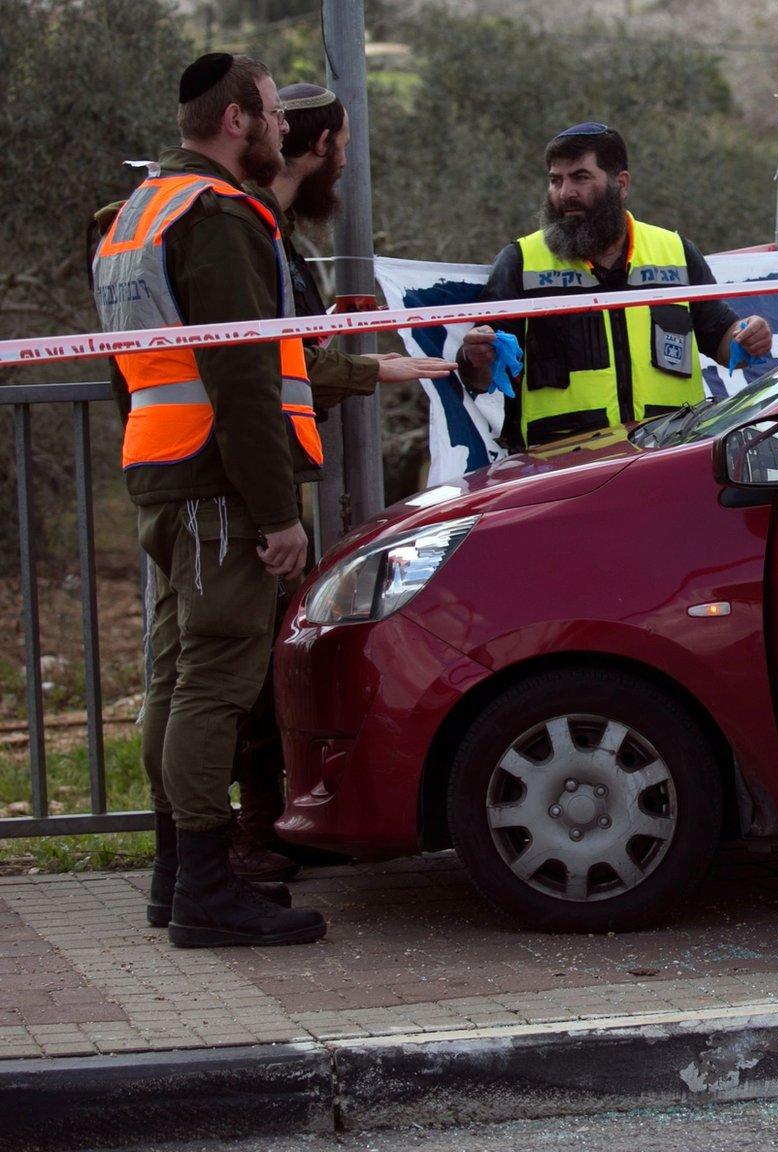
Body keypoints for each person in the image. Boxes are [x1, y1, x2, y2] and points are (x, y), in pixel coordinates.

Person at [90, 52, 329, 947]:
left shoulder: (134, 216)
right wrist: (277, 514)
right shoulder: (219, 214)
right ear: (236, 121)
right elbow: (243, 376)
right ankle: (201, 888)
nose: (279, 128)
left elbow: (131, 370)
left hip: (161, 472)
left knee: (172, 681)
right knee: (213, 686)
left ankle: (173, 878)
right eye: (270, 113)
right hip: (219, 487)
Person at [211, 82, 455, 882]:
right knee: (233, 670)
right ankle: (229, 846)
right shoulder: (250, 233)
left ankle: (259, 826)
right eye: (343, 147)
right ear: (318, 149)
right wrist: (372, 366)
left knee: (258, 662)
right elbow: (268, 362)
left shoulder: (275, 235)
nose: (345, 166)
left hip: (264, 473)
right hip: (243, 481)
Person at [455, 122, 772, 450]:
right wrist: (475, 354)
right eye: (555, 180)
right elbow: (479, 374)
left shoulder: (675, 252)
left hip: (668, 460)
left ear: (620, 184)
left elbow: (724, 339)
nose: (565, 193)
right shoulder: (520, 260)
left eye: (580, 177)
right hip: (560, 474)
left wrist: (749, 337)